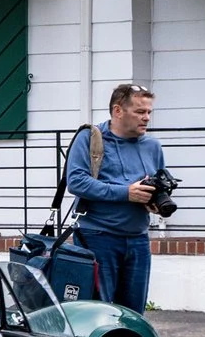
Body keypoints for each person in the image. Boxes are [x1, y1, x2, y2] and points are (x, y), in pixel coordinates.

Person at [65, 83, 167, 311]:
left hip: (138, 239)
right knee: (97, 311)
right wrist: (126, 193)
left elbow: (157, 183)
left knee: (133, 313)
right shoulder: (90, 138)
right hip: (98, 236)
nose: (147, 118)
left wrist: (155, 202)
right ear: (118, 110)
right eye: (140, 112)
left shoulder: (153, 146)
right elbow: (77, 182)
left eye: (149, 112)